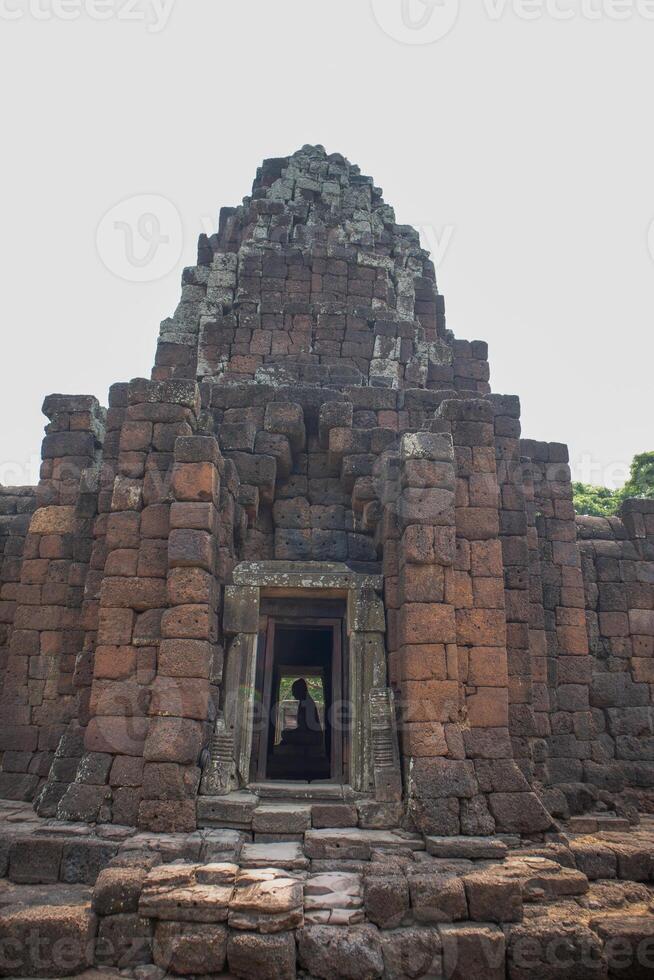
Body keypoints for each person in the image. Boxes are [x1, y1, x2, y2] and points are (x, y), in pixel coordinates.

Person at [281, 677, 323, 747]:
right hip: (309, 735)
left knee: (285, 734)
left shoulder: (308, 703)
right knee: (285, 732)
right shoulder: (304, 702)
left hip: (313, 737)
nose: (293, 694)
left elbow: (304, 728)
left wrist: (292, 732)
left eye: (294, 691)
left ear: (300, 691)